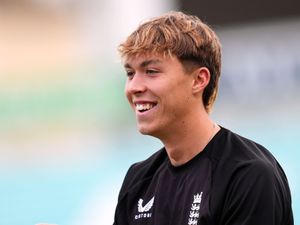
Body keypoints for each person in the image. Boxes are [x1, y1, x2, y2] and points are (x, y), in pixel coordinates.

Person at [113, 11, 294, 225]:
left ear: (199, 80)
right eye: (130, 74)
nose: (134, 87)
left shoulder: (248, 173)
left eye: (151, 71)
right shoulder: (138, 180)